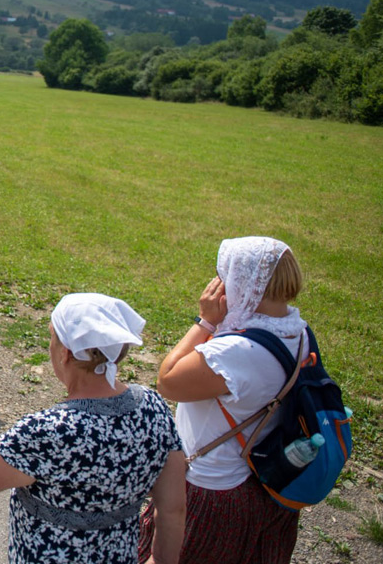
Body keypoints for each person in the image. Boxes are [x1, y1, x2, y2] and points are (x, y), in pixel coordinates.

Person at [0, 293, 186, 564]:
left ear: (65, 353)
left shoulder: (49, 431)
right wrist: (161, 559)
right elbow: (173, 506)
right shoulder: (152, 407)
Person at [141, 237, 309, 564]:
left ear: (240, 283)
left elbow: (167, 380)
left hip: (212, 489)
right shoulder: (297, 331)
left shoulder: (234, 353)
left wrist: (206, 321)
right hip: (260, 480)